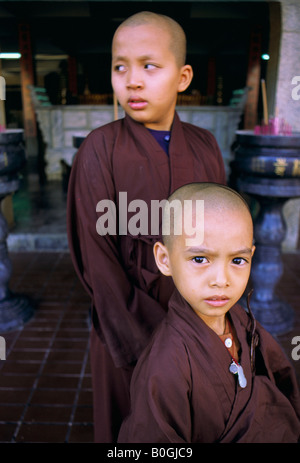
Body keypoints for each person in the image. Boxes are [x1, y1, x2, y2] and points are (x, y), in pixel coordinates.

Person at [67, 11, 226, 443]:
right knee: (130, 427)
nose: (131, 81)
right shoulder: (100, 149)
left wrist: (213, 321)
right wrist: (153, 341)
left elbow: (223, 238)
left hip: (199, 320)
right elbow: (96, 262)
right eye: (121, 66)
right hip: (126, 331)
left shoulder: (205, 145)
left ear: (183, 76)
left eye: (149, 65)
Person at [118, 183, 300, 443]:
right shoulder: (166, 366)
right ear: (164, 259)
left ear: (252, 256)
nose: (221, 280)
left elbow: (280, 381)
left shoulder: (239, 319)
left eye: (238, 260)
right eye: (200, 259)